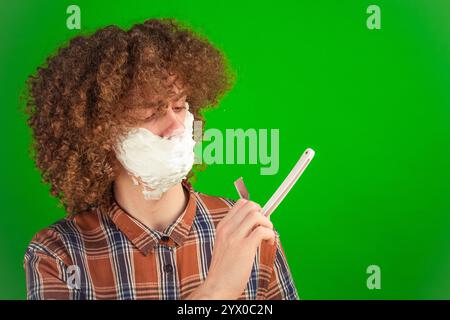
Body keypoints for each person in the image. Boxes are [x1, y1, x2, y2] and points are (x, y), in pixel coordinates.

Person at [23, 18, 298, 300]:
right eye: (151, 113)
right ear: (102, 131)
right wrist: (217, 290)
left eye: (179, 106)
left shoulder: (248, 229)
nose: (177, 126)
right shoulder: (57, 253)